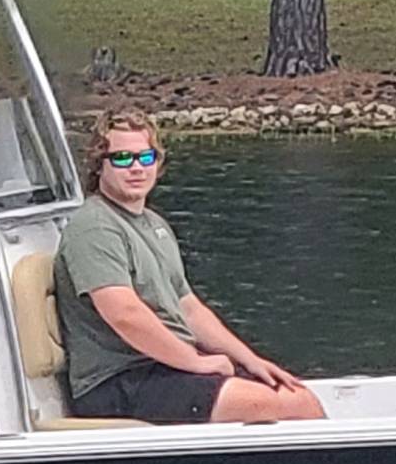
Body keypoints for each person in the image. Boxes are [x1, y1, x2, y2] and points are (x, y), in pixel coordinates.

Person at [55, 110, 325, 424]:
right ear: (99, 164)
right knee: (294, 407)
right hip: (119, 381)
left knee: (294, 393)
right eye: (122, 158)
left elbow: (189, 309)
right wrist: (195, 362)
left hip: (164, 369)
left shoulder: (153, 224)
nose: (136, 168)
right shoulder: (95, 228)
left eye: (146, 157)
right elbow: (125, 315)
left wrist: (251, 361)